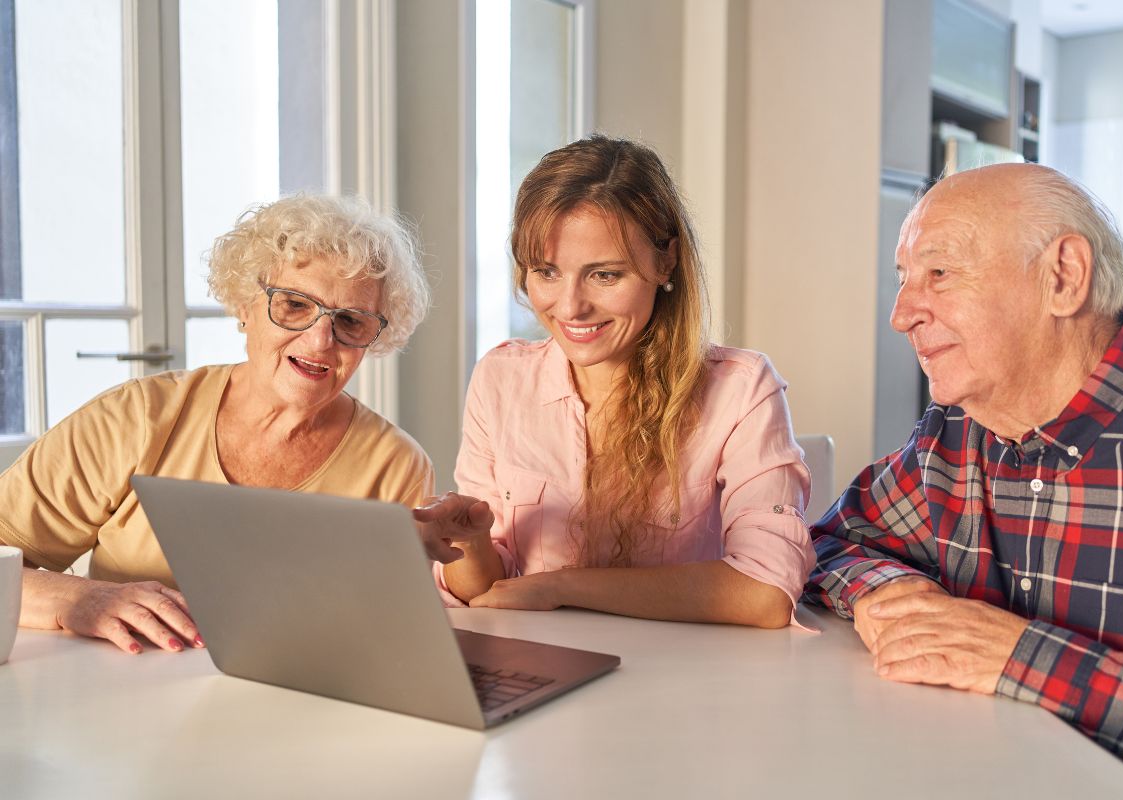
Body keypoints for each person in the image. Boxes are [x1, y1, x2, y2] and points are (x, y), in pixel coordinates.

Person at [803, 163, 1123, 796]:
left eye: (939, 273)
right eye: (903, 280)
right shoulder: (955, 435)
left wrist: (1026, 659)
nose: (901, 314)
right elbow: (833, 542)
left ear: (1062, 278)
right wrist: (890, 598)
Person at [0, 194, 458, 654]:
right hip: (126, 696)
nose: (320, 340)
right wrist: (81, 599)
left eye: (350, 320)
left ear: (372, 338)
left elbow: (383, 640)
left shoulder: (396, 464)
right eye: (295, 305)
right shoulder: (137, 418)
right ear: (244, 305)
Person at [414, 135, 815, 628]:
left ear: (665, 261)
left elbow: (765, 592)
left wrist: (561, 586)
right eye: (547, 272)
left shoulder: (741, 389)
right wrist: (471, 542)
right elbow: (488, 594)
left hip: (689, 681)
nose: (569, 307)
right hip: (544, 669)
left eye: (604, 275)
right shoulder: (500, 379)